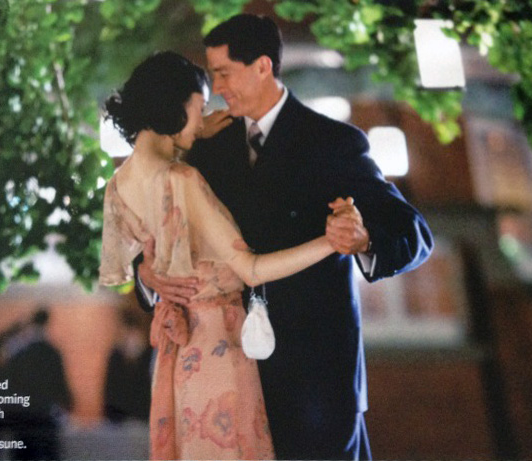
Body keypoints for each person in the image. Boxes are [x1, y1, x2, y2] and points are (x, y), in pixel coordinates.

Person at [135, 14, 434, 461]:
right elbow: (155, 236)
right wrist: (146, 275)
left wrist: (364, 239)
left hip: (316, 387)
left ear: (262, 66)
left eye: (224, 73)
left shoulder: (333, 142)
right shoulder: (202, 148)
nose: (218, 88)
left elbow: (414, 233)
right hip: (228, 380)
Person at [99, 51, 349, 460]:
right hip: (218, 347)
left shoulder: (118, 185)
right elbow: (251, 269)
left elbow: (143, 259)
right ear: (174, 106)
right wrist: (330, 242)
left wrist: (193, 134)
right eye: (199, 108)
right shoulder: (182, 179)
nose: (202, 120)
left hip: (176, 357)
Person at [5, 308, 73, 461]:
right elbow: (60, 383)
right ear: (46, 323)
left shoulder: (20, 353)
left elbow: (10, 385)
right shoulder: (52, 352)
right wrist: (68, 403)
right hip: (45, 416)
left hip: (23, 417)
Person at [103, 309, 152, 424]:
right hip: (119, 417)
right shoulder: (116, 354)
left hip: (141, 415)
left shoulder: (147, 353)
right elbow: (110, 388)